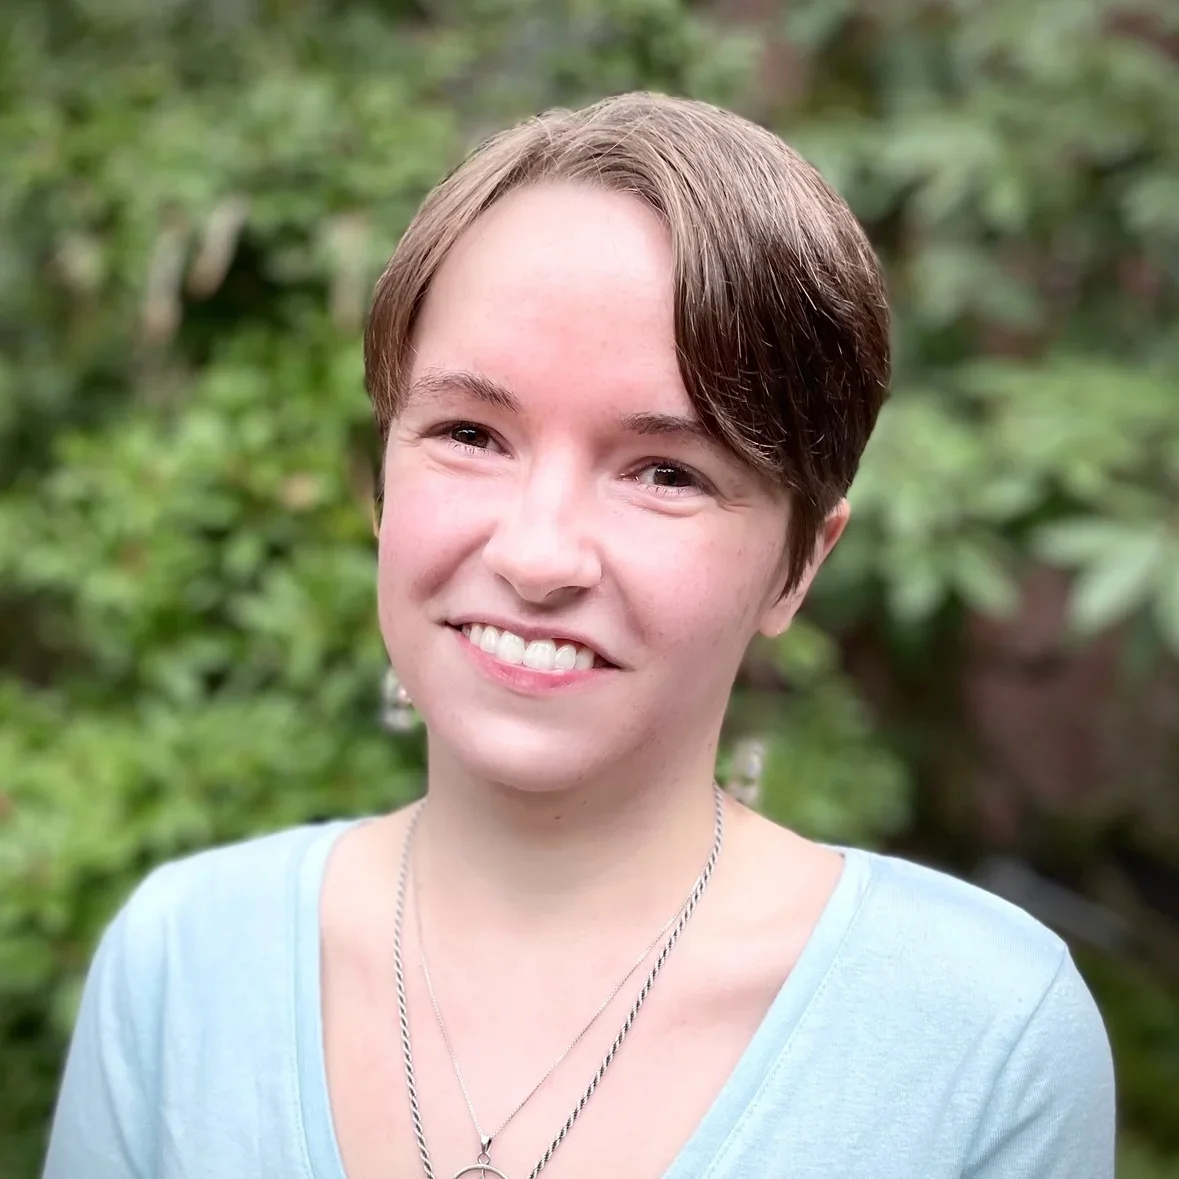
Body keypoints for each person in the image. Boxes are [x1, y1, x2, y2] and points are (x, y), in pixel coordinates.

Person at [43, 92, 1115, 1179]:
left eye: (666, 473)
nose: (537, 554)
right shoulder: (182, 964)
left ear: (799, 565)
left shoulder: (978, 1039)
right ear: (380, 482)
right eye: (470, 434)